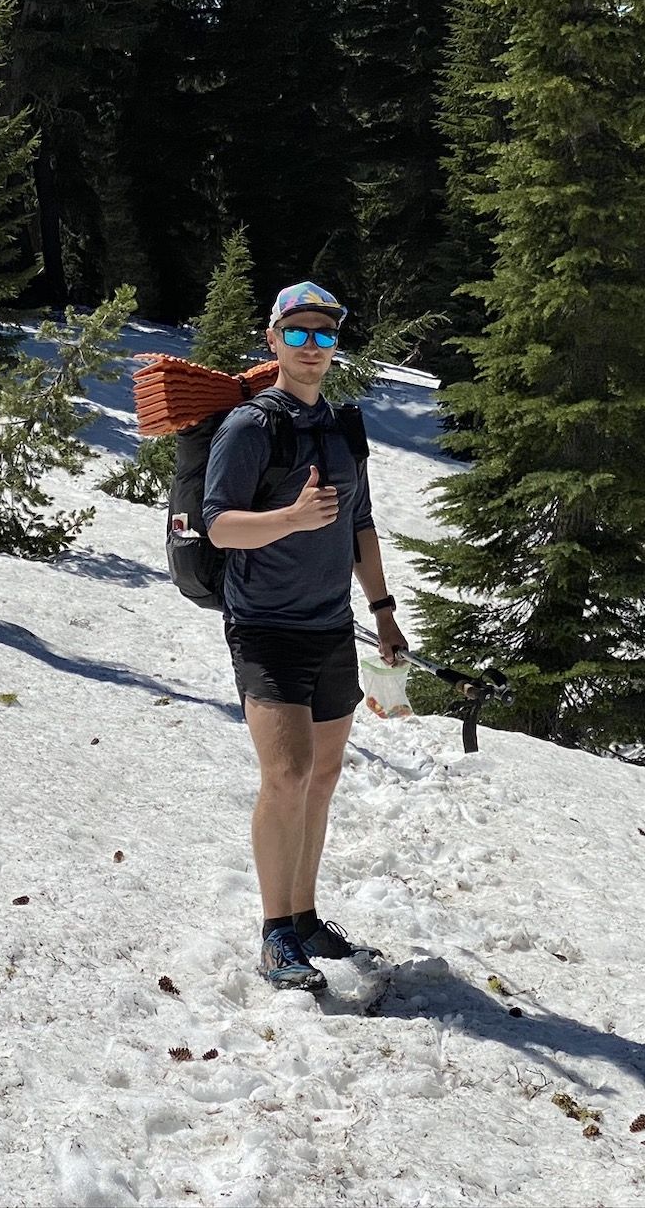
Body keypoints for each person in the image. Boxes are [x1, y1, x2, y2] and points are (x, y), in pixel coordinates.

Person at [203, 282, 408, 991]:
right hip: (264, 627)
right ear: (274, 341)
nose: (313, 347)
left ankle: (304, 914)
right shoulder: (250, 428)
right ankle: (273, 934)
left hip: (331, 627)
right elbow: (219, 525)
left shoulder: (343, 428)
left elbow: (360, 525)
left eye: (325, 334)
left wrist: (381, 611)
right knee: (285, 777)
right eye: (300, 334)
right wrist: (288, 518)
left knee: (321, 778)